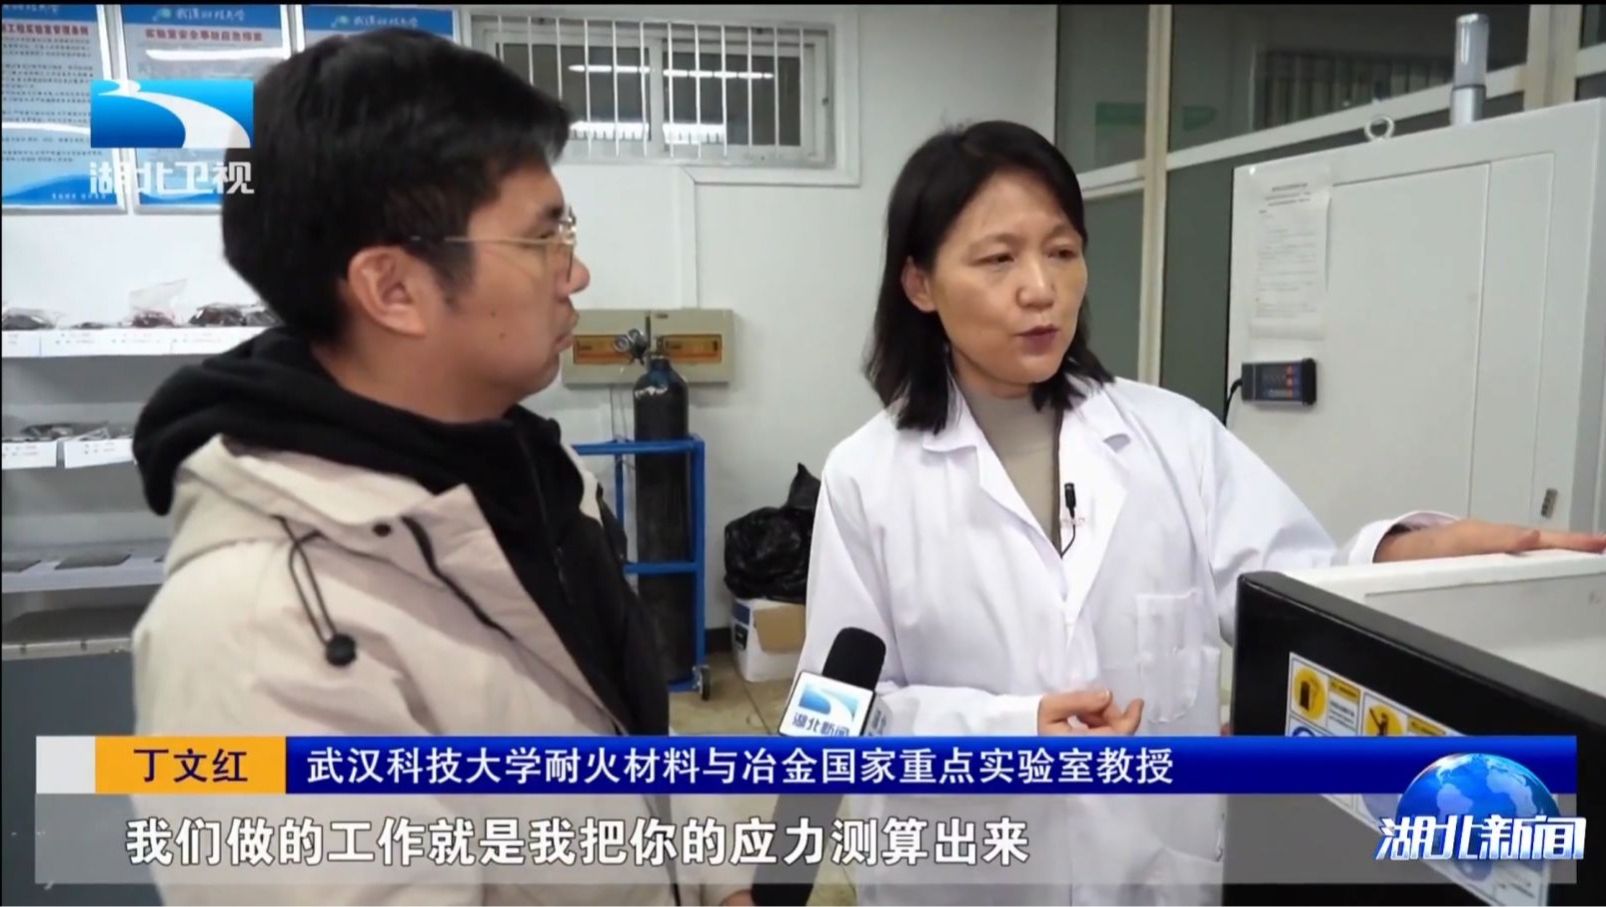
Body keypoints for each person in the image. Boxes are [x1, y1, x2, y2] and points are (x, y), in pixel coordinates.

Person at [796, 120, 1606, 906]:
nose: (1040, 288)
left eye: (1063, 251)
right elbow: (832, 715)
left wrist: (1404, 558)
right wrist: (1013, 730)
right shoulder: (869, 478)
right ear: (920, 283)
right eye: (998, 258)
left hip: (1158, 871)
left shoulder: (1174, 438)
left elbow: (1296, 593)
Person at [130, 28, 750, 906]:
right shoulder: (253, 628)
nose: (576, 271)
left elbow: (625, 739)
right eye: (542, 238)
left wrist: (719, 880)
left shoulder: (538, 473)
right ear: (393, 289)